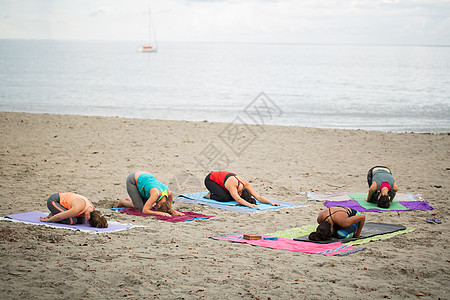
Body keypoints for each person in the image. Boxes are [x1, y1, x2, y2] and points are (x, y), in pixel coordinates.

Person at [117, 171, 184, 217]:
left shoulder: (169, 193)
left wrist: (174, 211)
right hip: (133, 179)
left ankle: (131, 200)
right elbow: (144, 211)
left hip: (145, 177)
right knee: (139, 208)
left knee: (142, 203)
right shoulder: (156, 194)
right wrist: (159, 213)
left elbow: (170, 207)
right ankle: (122, 202)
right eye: (156, 207)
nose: (155, 206)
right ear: (159, 205)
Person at [203, 171, 281, 208]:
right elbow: (238, 199)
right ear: (240, 194)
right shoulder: (233, 185)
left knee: (231, 196)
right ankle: (209, 195)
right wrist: (249, 205)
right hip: (210, 180)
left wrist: (271, 203)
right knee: (225, 198)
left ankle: (217, 191)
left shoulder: (246, 185)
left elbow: (259, 197)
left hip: (221, 181)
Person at [40, 192, 108, 228]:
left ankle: (57, 212)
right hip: (54, 201)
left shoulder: (92, 210)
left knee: (81, 221)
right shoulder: (78, 208)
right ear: (88, 217)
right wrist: (48, 220)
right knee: (71, 220)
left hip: (67, 206)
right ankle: (53, 213)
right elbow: (59, 217)